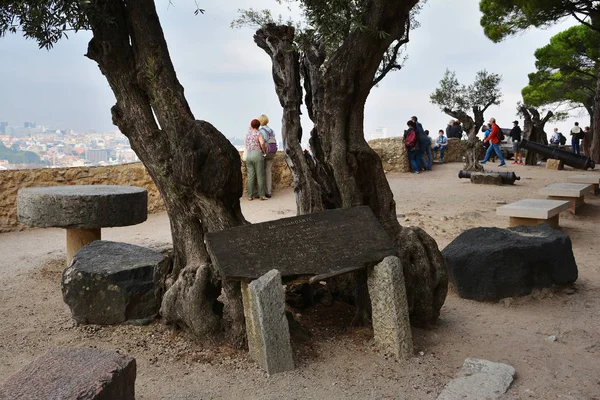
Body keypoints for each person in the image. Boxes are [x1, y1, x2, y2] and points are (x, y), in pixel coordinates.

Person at [245, 119, 267, 201]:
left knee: (250, 176)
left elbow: (246, 145)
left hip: (249, 155)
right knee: (260, 176)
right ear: (259, 126)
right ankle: (262, 195)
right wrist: (264, 152)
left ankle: (250, 196)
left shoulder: (247, 134)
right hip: (257, 154)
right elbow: (262, 144)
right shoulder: (258, 133)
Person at [257, 114, 277, 198]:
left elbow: (261, 142)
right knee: (268, 171)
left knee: (261, 171)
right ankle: (269, 192)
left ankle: (262, 192)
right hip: (272, 152)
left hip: (264, 152)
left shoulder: (261, 131)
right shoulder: (272, 131)